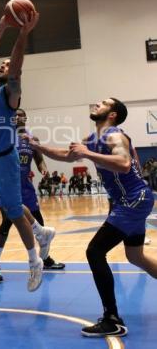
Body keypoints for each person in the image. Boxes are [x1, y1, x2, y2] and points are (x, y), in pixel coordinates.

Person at [26, 98, 157, 337]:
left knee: (95, 251)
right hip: (133, 200)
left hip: (133, 200)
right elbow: (67, 156)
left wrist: (86, 153)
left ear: (113, 114)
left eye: (104, 103)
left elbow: (125, 164)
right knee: (136, 256)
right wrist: (39, 147)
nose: (97, 103)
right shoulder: (92, 139)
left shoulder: (114, 136)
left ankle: (112, 319)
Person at [0, 13, 55, 292]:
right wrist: (2, 23)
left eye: (8, 64)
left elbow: (17, 65)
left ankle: (35, 261)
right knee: (7, 206)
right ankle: (41, 232)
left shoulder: (11, 93)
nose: (4, 64)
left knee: (12, 213)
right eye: (2, 62)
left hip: (4, 157)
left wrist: (22, 34)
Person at [0, 108, 65, 283]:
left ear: (25, 118)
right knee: (6, 222)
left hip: (26, 187)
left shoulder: (32, 139)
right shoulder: (4, 138)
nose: (16, 117)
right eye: (14, 115)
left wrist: (43, 169)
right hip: (8, 186)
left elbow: (39, 159)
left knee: (40, 222)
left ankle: (45, 259)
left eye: (20, 114)